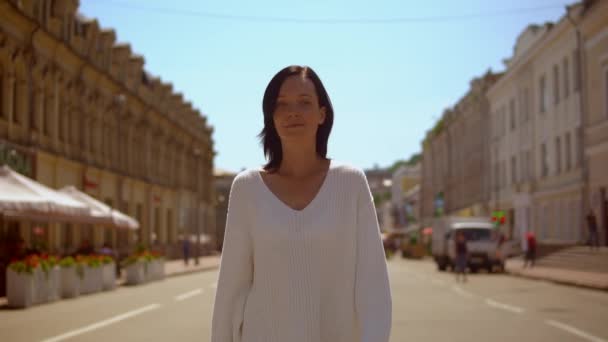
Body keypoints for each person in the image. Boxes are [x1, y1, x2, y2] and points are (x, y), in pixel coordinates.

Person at [211, 66, 392, 342]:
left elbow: (373, 289)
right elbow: (230, 292)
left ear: (322, 114)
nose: (292, 111)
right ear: (271, 117)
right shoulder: (247, 188)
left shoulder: (351, 183)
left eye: (304, 102)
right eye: (281, 104)